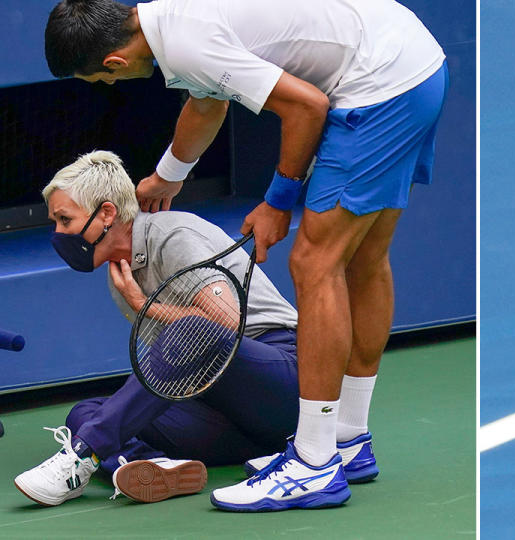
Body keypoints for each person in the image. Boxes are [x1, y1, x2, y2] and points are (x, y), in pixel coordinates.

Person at [44, 0, 448, 511]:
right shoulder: (170, 20)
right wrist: (170, 173)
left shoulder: (186, 43)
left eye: (102, 81)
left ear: (115, 63)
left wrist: (278, 201)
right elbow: (207, 102)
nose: (111, 86)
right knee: (364, 259)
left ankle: (315, 464)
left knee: (313, 263)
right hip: (413, 65)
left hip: (379, 85)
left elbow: (307, 106)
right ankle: (348, 441)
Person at [15, 150, 302, 506]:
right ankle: (151, 466)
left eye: (64, 219)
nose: (58, 234)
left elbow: (226, 323)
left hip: (284, 382)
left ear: (106, 213)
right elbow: (167, 378)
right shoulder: (121, 270)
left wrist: (144, 306)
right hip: (231, 417)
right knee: (85, 412)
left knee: (194, 330)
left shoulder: (172, 235)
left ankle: (83, 455)